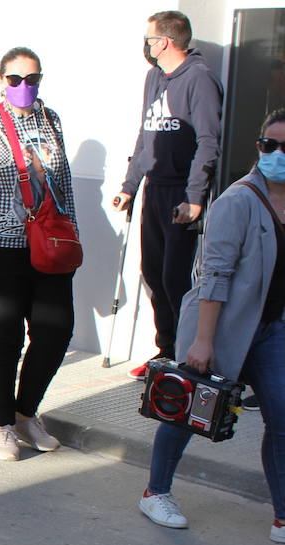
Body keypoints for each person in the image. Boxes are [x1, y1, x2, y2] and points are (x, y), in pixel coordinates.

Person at [138, 110, 285, 543]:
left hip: (271, 329)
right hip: (219, 326)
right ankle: (155, 492)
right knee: (187, 413)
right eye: (268, 145)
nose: (276, 153)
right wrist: (202, 343)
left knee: (282, 419)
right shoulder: (238, 202)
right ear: (258, 147)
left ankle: (282, 516)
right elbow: (213, 276)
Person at [0, 47, 77, 461]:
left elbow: (64, 185)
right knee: (5, 337)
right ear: (1, 80)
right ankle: (3, 423)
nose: (25, 87)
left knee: (56, 331)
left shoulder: (51, 119)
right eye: (16, 79)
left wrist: (71, 238)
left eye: (33, 79)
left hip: (47, 248)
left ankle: (26, 413)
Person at [113, 11, 224, 380]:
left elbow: (208, 141)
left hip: (182, 193)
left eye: (149, 38)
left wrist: (194, 196)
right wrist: (130, 185)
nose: (145, 45)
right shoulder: (154, 77)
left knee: (178, 277)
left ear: (164, 42)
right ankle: (166, 349)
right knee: (153, 273)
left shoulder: (200, 79)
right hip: (154, 189)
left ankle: (185, 355)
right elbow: (147, 136)